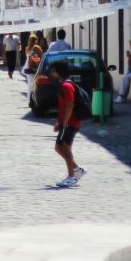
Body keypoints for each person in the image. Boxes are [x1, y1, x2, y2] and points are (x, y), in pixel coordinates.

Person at [51, 60, 87, 188]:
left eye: (53, 70)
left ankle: (72, 176)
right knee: (59, 148)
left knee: (65, 148)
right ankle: (77, 170)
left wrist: (64, 123)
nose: (51, 73)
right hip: (66, 122)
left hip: (70, 123)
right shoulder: (64, 85)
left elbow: (70, 105)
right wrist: (59, 122)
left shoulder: (66, 86)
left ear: (58, 72)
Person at [23, 35, 43, 102]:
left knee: (29, 85)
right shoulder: (37, 47)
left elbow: (29, 56)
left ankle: (29, 100)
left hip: (28, 68)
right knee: (36, 85)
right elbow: (40, 57)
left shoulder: (27, 49)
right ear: (36, 40)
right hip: (35, 68)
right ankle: (35, 100)